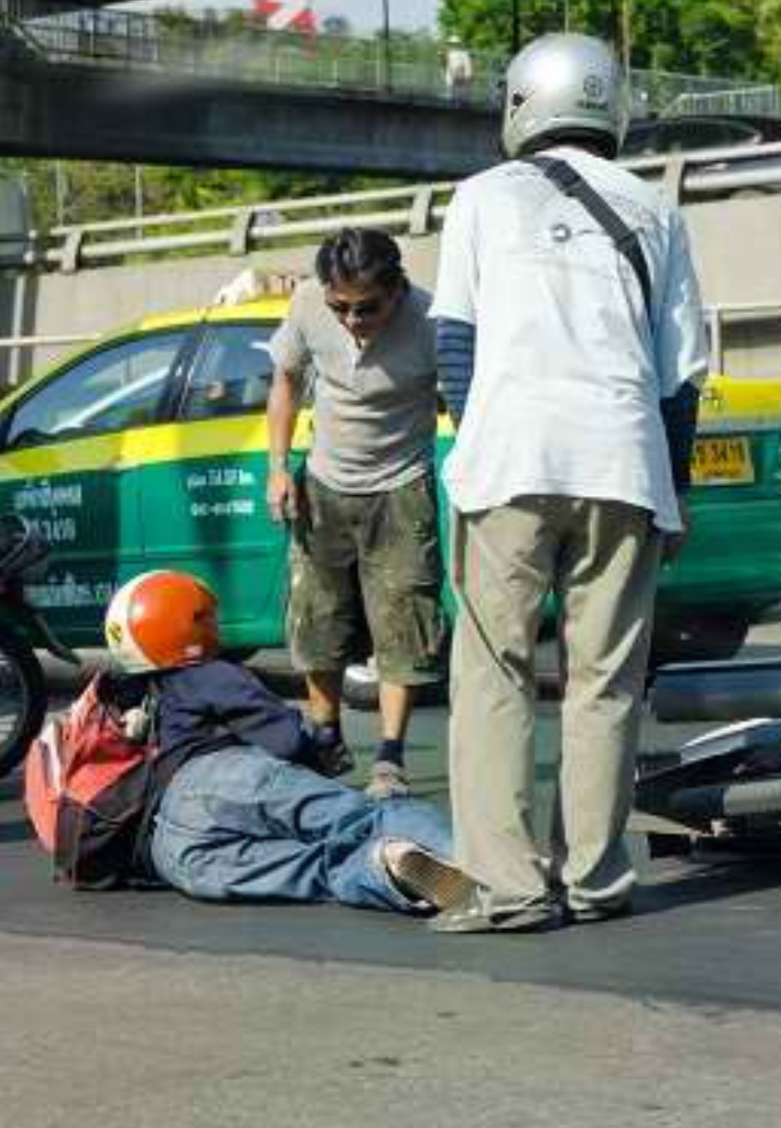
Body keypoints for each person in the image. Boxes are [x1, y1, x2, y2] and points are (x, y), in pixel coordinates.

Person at [429, 33, 710, 932]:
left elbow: (455, 346)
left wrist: (480, 438)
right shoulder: (659, 211)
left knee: (495, 675)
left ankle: (508, 886)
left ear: (520, 103)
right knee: (605, 682)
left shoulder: (478, 199)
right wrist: (676, 488)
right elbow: (681, 377)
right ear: (610, 107)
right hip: (624, 461)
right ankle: (592, 878)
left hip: (510, 461)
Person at [104, 570, 474, 915]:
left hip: (173, 850)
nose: (214, 624)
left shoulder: (128, 696)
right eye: (205, 617)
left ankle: (387, 865)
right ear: (186, 627)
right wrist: (318, 758)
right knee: (368, 816)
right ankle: (483, 867)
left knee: (318, 869)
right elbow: (285, 741)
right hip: (218, 779)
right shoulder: (208, 675)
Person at [264, 228, 445, 801]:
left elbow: (467, 400)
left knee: (403, 622)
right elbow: (286, 380)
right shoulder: (308, 307)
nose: (352, 320)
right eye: (340, 307)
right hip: (324, 484)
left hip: (401, 487)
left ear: (397, 289)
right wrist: (277, 466)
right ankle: (326, 734)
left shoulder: (433, 320)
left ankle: (390, 756)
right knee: (316, 622)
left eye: (367, 308)